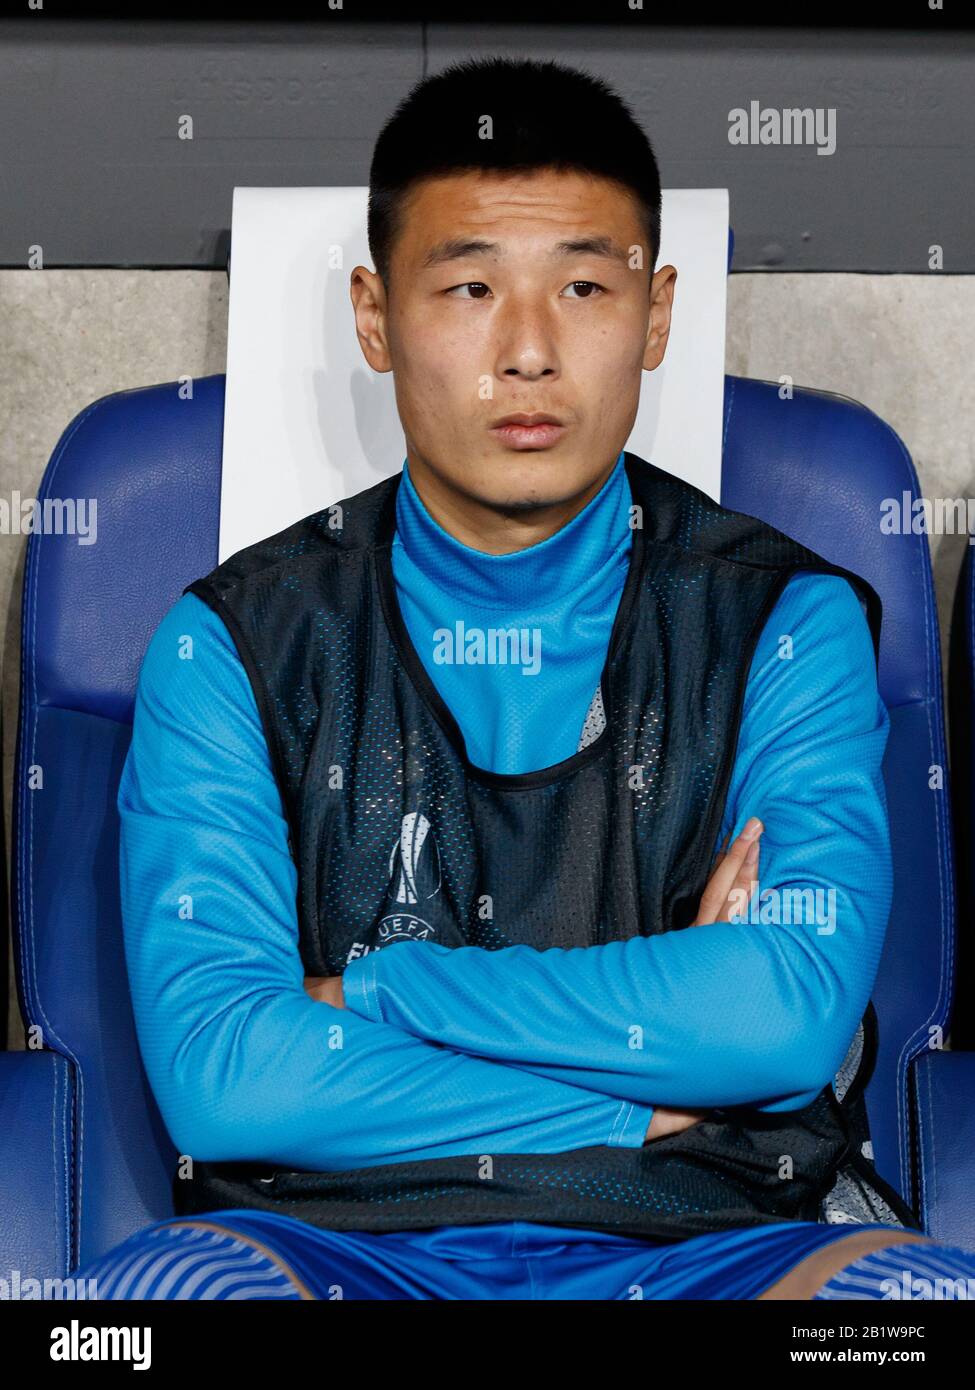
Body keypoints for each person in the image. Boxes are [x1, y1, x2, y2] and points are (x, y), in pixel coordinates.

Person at [76, 55, 975, 1300]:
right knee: (138, 1315)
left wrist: (373, 990)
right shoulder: (227, 643)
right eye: (470, 285)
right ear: (376, 315)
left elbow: (783, 1016)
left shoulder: (786, 620)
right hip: (335, 1244)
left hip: (721, 1238)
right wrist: (646, 1091)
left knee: (915, 1312)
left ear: (655, 315)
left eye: (585, 286)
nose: (530, 349)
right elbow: (229, 1072)